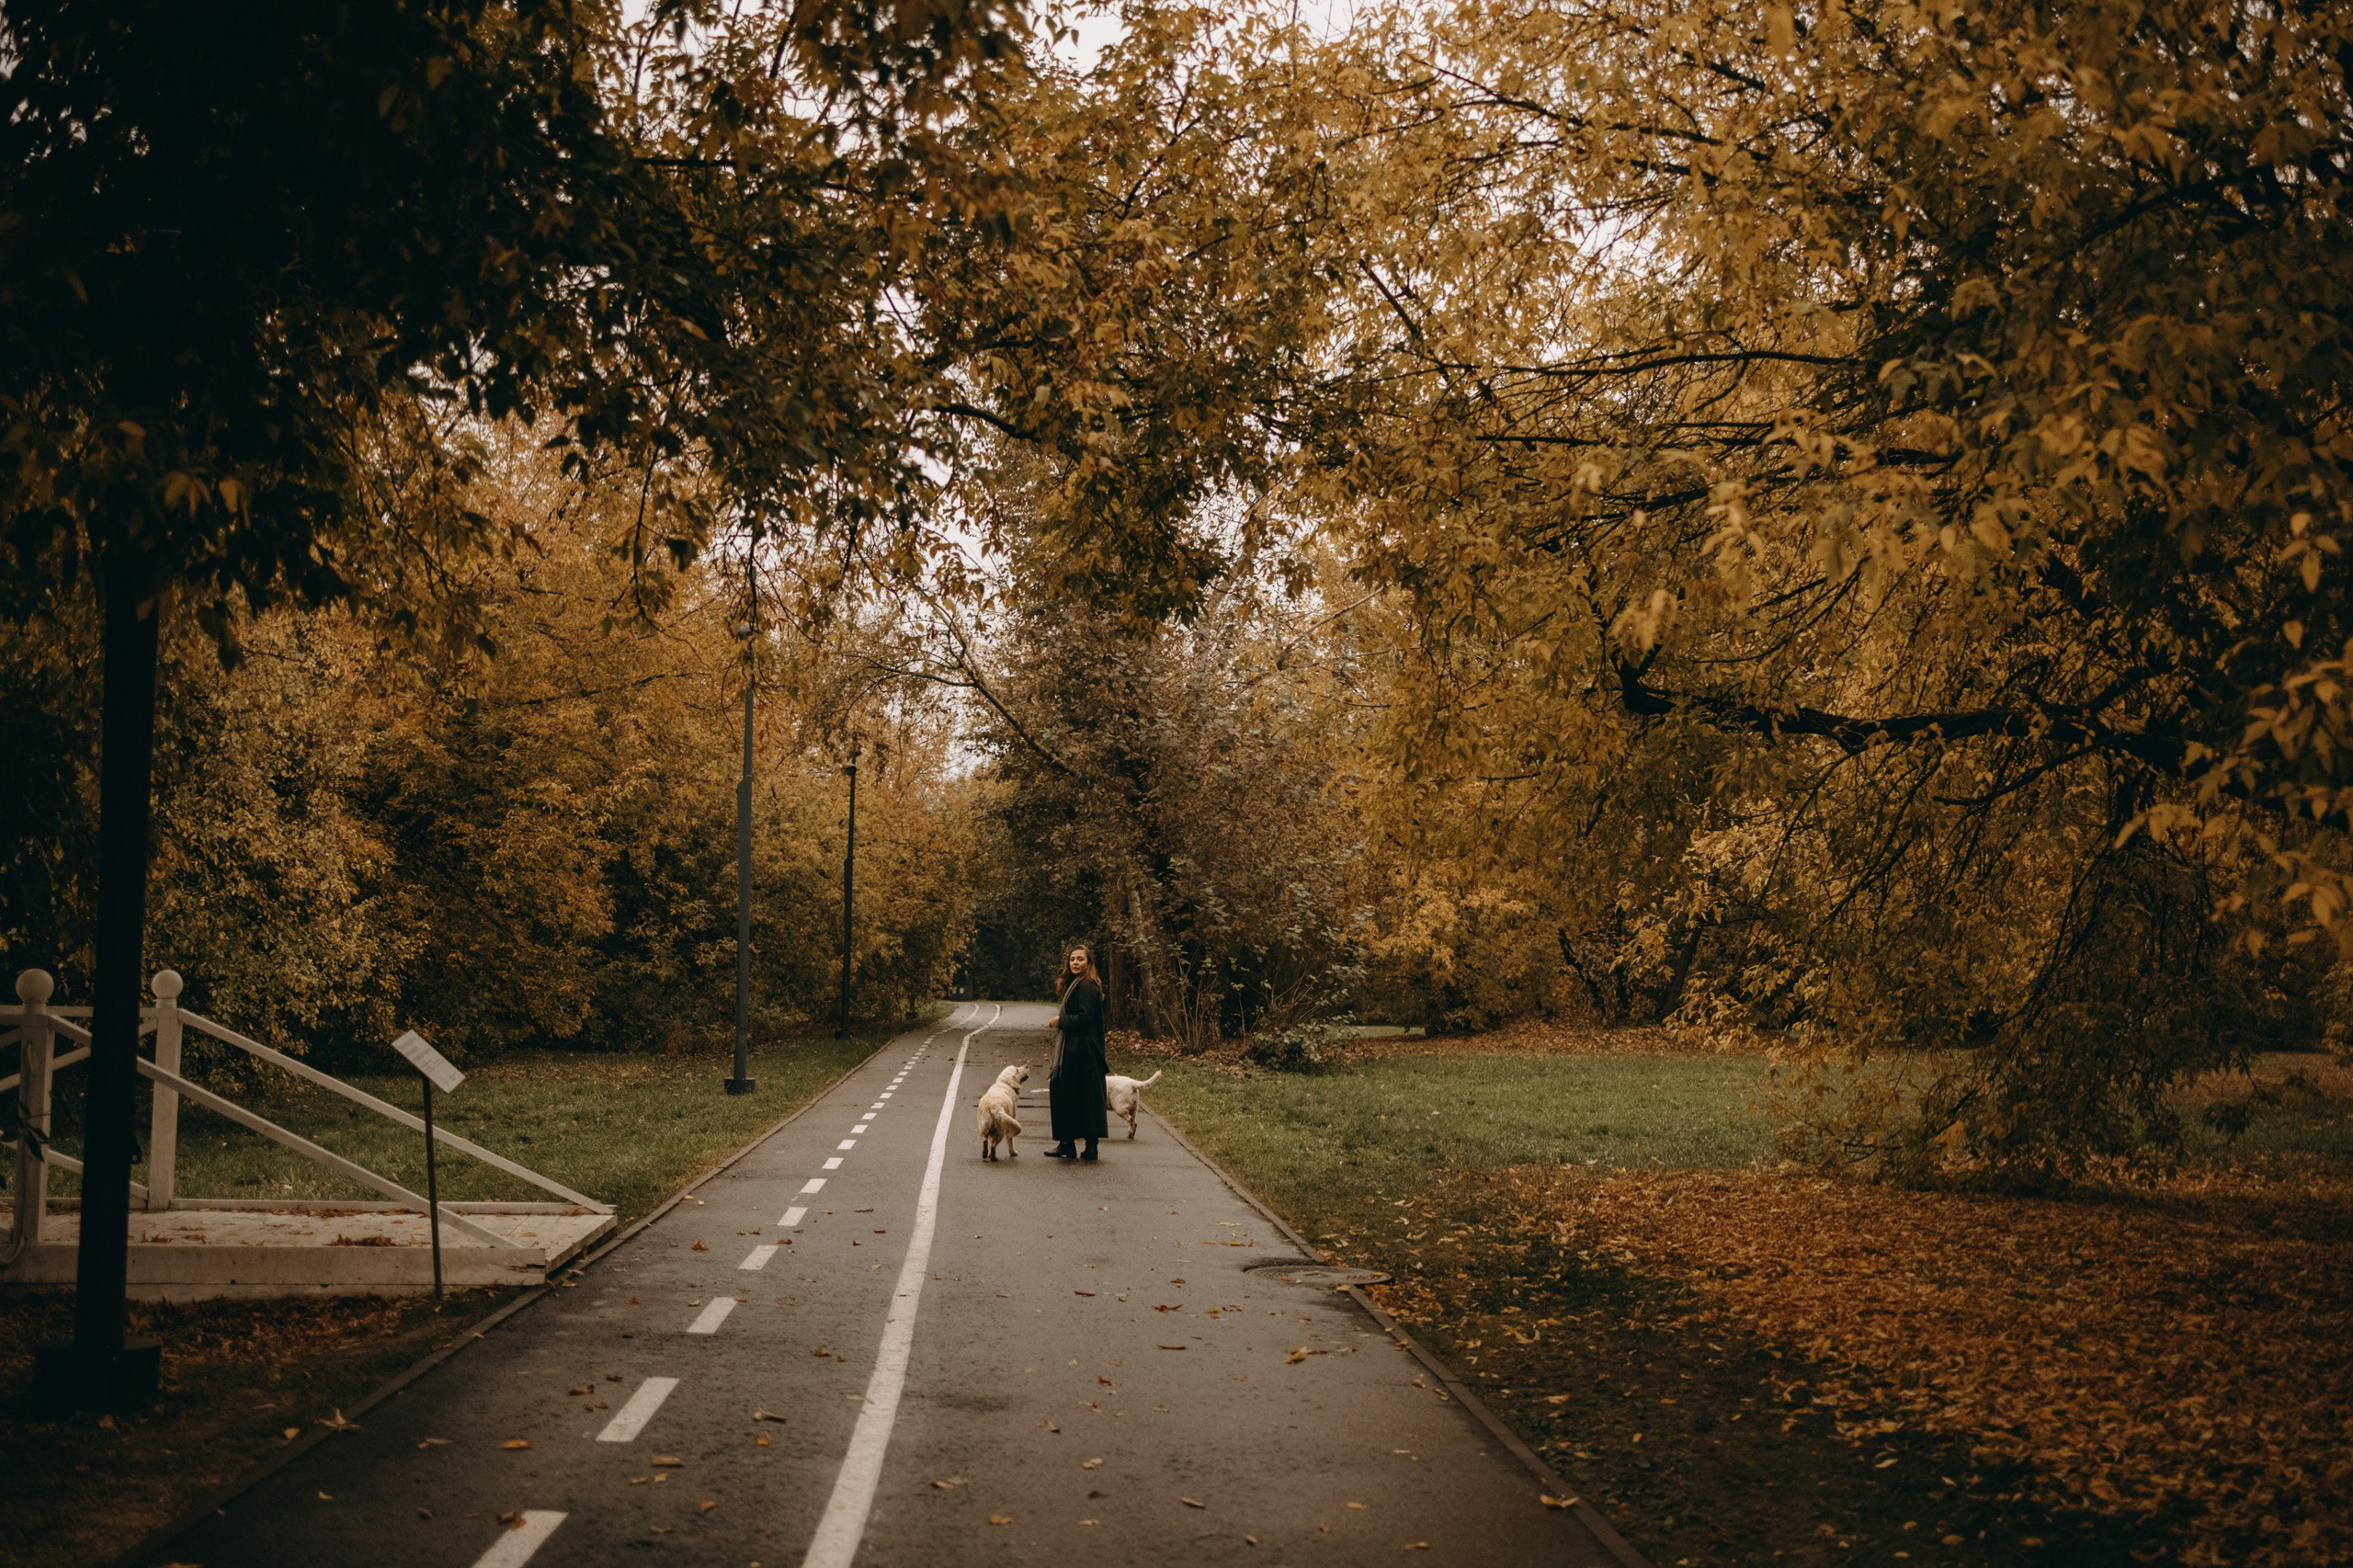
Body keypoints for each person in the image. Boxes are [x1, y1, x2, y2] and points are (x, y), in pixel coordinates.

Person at [1047, 944, 1108, 1161]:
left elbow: (1084, 1018)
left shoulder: (1087, 986)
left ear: (1089, 963)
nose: (1075, 963)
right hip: (1077, 1048)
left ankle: (1079, 1145)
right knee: (1078, 1096)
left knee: (1079, 1095)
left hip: (1083, 1049)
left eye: (1080, 959)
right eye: (1072, 959)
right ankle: (1073, 1145)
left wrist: (1060, 1021)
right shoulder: (1078, 984)